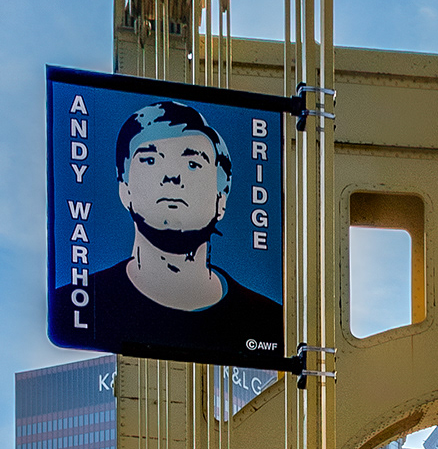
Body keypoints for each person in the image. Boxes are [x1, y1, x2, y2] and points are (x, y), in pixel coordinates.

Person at [51, 96, 283, 367]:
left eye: (192, 164)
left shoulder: (270, 324)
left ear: (222, 198)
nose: (171, 176)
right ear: (124, 188)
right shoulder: (73, 307)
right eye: (150, 160)